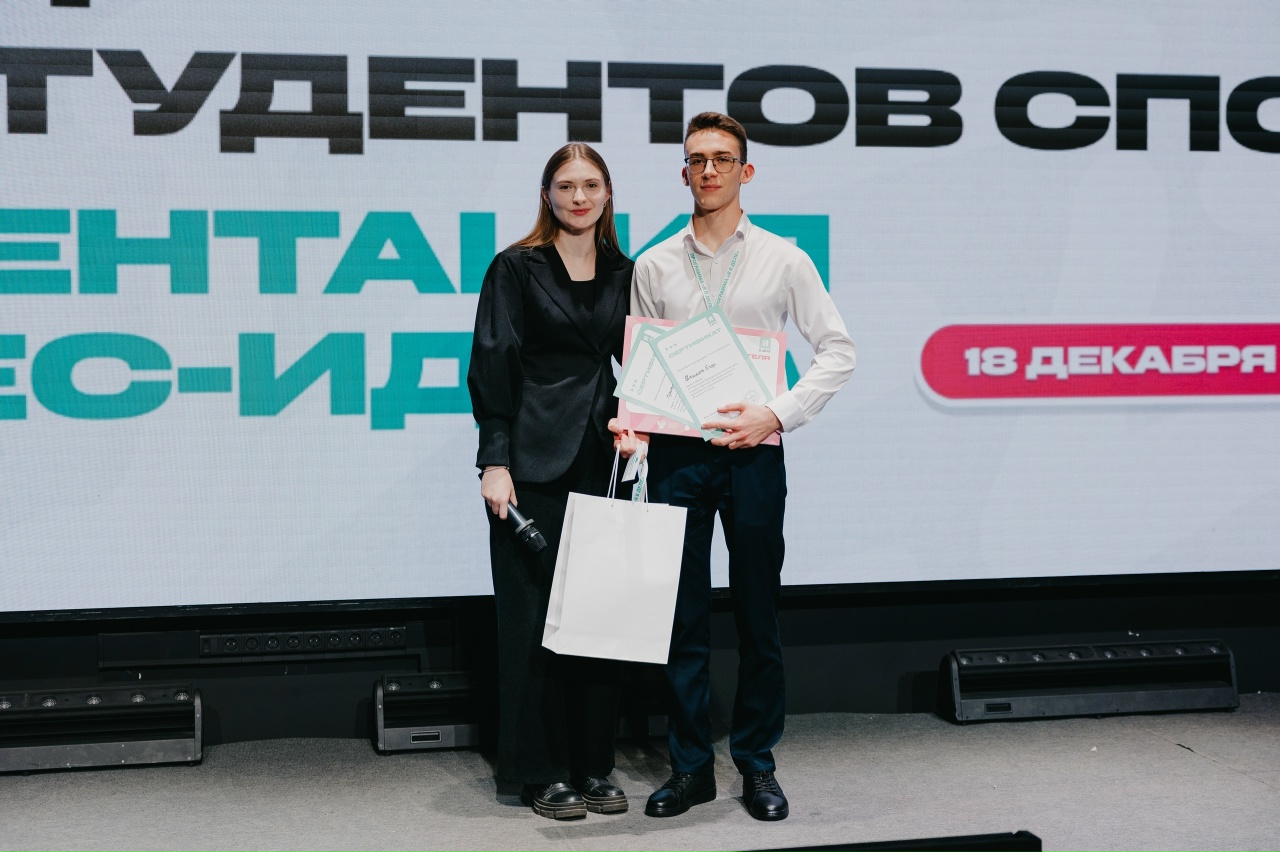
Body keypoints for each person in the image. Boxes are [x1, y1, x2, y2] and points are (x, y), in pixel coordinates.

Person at [625, 113, 856, 821]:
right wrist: (634, 428)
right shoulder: (654, 265)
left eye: (723, 159)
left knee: (759, 615)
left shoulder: (784, 259)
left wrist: (777, 414)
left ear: (745, 172)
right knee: (682, 619)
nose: (710, 170)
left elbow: (838, 350)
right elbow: (641, 365)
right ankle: (691, 768)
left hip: (754, 452)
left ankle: (757, 764)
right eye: (698, 159)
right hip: (675, 456)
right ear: (683, 172)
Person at [467, 143, 639, 820]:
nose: (578, 197)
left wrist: (641, 424)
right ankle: (538, 771)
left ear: (607, 193)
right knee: (530, 621)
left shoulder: (626, 270)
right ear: (547, 195)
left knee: (597, 619)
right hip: (529, 463)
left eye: (590, 185)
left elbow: (644, 361)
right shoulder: (515, 266)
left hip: (604, 461)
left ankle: (592, 765)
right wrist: (495, 460)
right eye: (565, 186)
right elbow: (492, 364)